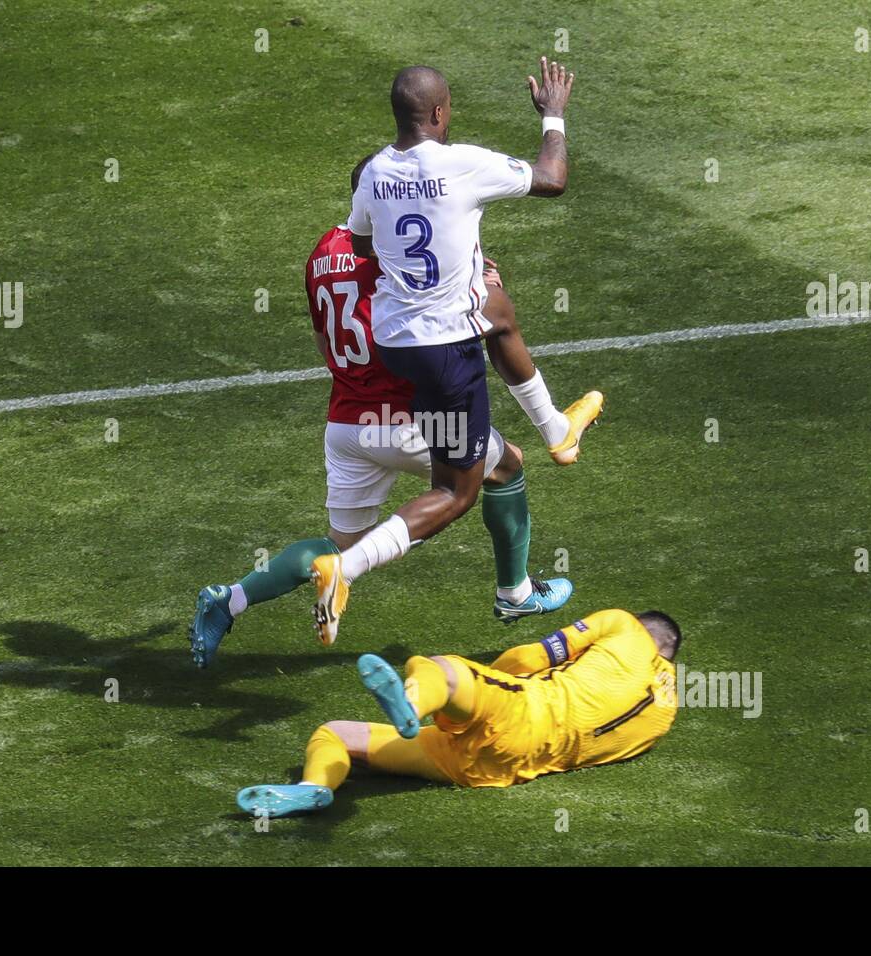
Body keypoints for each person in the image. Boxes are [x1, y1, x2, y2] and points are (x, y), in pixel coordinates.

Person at [188, 157, 574, 668]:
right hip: (406, 419)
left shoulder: (321, 252)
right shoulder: (394, 256)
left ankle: (229, 600)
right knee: (505, 467)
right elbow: (443, 314)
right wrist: (484, 284)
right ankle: (516, 591)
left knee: (336, 543)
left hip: (346, 423)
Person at [310, 58, 602, 646]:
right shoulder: (463, 162)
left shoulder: (373, 175)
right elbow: (552, 178)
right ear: (440, 113)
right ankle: (347, 568)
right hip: (446, 353)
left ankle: (555, 433)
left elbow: (364, 240)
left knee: (495, 313)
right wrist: (553, 116)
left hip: (400, 349)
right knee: (456, 491)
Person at [236, 608, 681, 816]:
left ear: (645, 631)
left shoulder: (624, 626)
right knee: (338, 732)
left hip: (524, 711)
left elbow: (528, 659)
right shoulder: (663, 719)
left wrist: (488, 681)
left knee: (438, 669)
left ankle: (408, 707)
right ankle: (314, 793)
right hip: (501, 768)